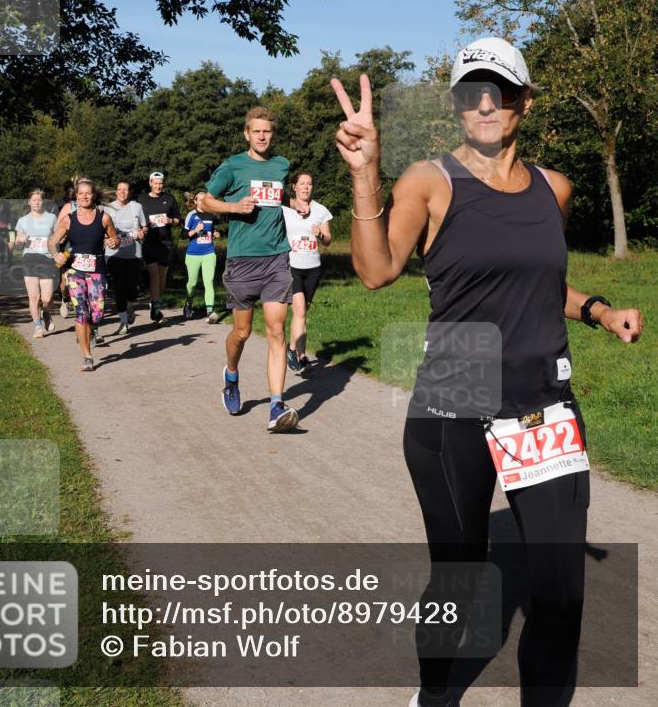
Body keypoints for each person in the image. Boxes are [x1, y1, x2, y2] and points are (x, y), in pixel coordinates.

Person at [331, 37, 644, 707]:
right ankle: (435, 693)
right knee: (461, 578)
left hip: (543, 403)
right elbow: (376, 270)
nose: (485, 105)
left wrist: (596, 309)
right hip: (455, 398)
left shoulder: (554, 189)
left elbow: (537, 282)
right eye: (471, 92)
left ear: (523, 104)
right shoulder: (428, 182)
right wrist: (366, 173)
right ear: (455, 106)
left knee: (560, 596)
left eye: (499, 92)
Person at [199, 107, 299, 432]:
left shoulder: (282, 165)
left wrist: (294, 204)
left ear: (272, 133)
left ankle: (276, 405)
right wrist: (232, 207)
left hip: (276, 258)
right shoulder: (232, 166)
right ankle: (231, 374)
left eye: (267, 131)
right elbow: (203, 200)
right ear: (246, 133)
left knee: (276, 331)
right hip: (242, 261)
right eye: (256, 131)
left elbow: (277, 197)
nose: (262, 136)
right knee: (241, 333)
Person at [48, 179, 119, 371]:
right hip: (75, 271)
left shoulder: (103, 218)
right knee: (81, 312)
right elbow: (52, 241)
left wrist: (114, 242)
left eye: (88, 193)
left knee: (97, 314)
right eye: (81, 194)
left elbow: (114, 238)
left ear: (94, 195)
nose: (84, 196)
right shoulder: (68, 219)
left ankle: (90, 329)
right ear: (76, 196)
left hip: (97, 271)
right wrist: (57, 254)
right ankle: (87, 356)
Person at [281, 172, 333, 372]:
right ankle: (292, 351)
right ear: (294, 186)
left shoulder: (320, 210)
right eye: (302, 183)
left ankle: (302, 355)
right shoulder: (286, 209)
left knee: (302, 315)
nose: (306, 187)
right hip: (292, 265)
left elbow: (328, 240)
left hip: (313, 268)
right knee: (300, 311)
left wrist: (320, 233)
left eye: (309, 184)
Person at [138, 171, 181, 323]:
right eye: (155, 183)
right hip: (149, 242)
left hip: (166, 243)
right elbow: (136, 218)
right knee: (154, 275)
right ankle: (156, 309)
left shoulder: (169, 199)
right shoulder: (141, 199)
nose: (158, 186)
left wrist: (170, 220)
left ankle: (154, 301)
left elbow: (178, 219)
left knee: (162, 279)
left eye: (160, 183)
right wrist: (141, 228)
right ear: (150, 183)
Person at [104, 181, 146, 336]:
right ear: (116, 192)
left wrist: (142, 232)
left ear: (130, 192)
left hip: (134, 253)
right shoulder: (107, 208)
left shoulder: (137, 206)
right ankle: (123, 322)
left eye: (125, 190)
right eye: (119, 190)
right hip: (113, 254)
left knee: (133, 288)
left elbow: (144, 226)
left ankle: (130, 305)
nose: (122, 192)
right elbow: (102, 229)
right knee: (120, 286)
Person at [15, 189, 58, 339]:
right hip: (29, 259)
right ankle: (38, 326)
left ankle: (46, 312)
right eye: (34, 200)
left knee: (47, 298)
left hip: (46, 259)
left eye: (39, 200)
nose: (37, 202)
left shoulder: (52, 218)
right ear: (29, 202)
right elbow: (18, 245)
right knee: (33, 296)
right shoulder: (22, 221)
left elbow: (58, 237)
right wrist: (19, 241)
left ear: (43, 202)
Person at [181, 191, 220, 323]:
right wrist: (195, 231)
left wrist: (216, 234)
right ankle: (189, 303)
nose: (203, 202)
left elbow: (212, 230)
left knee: (208, 282)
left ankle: (210, 311)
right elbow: (183, 235)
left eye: (205, 199)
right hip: (193, 254)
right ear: (196, 201)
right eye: (200, 199)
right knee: (191, 284)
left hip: (209, 252)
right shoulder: (191, 215)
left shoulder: (212, 215)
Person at [55, 182, 76, 318]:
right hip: (65, 244)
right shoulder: (60, 205)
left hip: (79, 245)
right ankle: (64, 299)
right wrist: (59, 237)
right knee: (64, 277)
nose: (71, 193)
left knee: (74, 275)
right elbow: (56, 224)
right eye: (69, 191)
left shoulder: (89, 205)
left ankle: (78, 300)